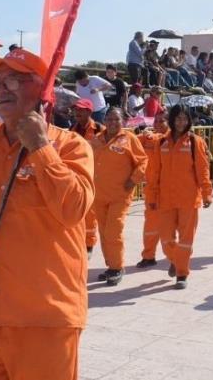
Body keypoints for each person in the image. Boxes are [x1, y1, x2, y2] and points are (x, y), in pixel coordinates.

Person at [0, 48, 94, 379]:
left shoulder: (70, 147)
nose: (0, 88)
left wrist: (41, 149)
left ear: (42, 88)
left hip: (44, 319)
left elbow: (74, 209)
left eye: (12, 79)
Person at [145, 104, 213, 289]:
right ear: (172, 120)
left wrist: (207, 193)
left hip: (188, 199)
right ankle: (176, 260)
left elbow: (202, 169)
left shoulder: (195, 142)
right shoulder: (161, 142)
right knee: (166, 239)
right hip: (166, 199)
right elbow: (154, 172)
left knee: (185, 239)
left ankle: (182, 274)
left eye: (184, 118)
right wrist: (151, 197)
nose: (181, 122)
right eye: (178, 118)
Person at [88, 107, 148, 286]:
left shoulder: (129, 139)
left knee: (113, 232)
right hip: (99, 195)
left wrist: (134, 180)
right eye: (109, 119)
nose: (113, 123)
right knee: (104, 233)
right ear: (104, 121)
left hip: (119, 195)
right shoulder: (96, 140)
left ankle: (117, 267)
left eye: (116, 119)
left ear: (123, 121)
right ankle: (111, 266)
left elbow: (143, 161)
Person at [135, 108, 167, 268]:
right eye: (157, 121)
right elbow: (132, 142)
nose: (159, 124)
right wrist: (143, 134)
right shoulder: (147, 138)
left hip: (170, 189)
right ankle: (148, 255)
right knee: (150, 224)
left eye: (163, 121)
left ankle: (176, 258)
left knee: (171, 226)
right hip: (152, 189)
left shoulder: (173, 139)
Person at [71, 98, 103, 256]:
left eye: (81, 110)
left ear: (89, 112)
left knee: (90, 213)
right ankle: (79, 241)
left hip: (95, 176)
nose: (77, 112)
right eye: (76, 109)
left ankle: (89, 243)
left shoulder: (99, 129)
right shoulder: (71, 130)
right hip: (77, 175)